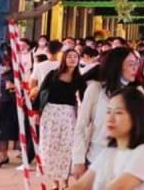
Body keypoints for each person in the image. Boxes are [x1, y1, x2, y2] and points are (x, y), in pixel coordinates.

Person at [68, 87, 144, 190]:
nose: (110, 118)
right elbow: (81, 185)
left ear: (136, 117)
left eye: (118, 112)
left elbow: (118, 188)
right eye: (108, 112)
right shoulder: (109, 153)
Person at [72, 46, 141, 178]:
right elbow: (80, 127)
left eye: (136, 63)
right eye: (130, 64)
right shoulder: (96, 89)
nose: (135, 68)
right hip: (97, 159)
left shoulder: (137, 93)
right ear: (117, 65)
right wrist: (78, 160)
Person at [40, 48, 86, 189]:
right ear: (64, 59)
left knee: (66, 147)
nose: (72, 59)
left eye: (75, 57)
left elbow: (84, 97)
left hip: (68, 113)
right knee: (50, 147)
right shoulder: (53, 74)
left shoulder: (79, 78)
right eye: (69, 56)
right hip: (51, 111)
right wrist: (37, 112)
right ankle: (54, 181)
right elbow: (42, 91)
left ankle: (65, 180)